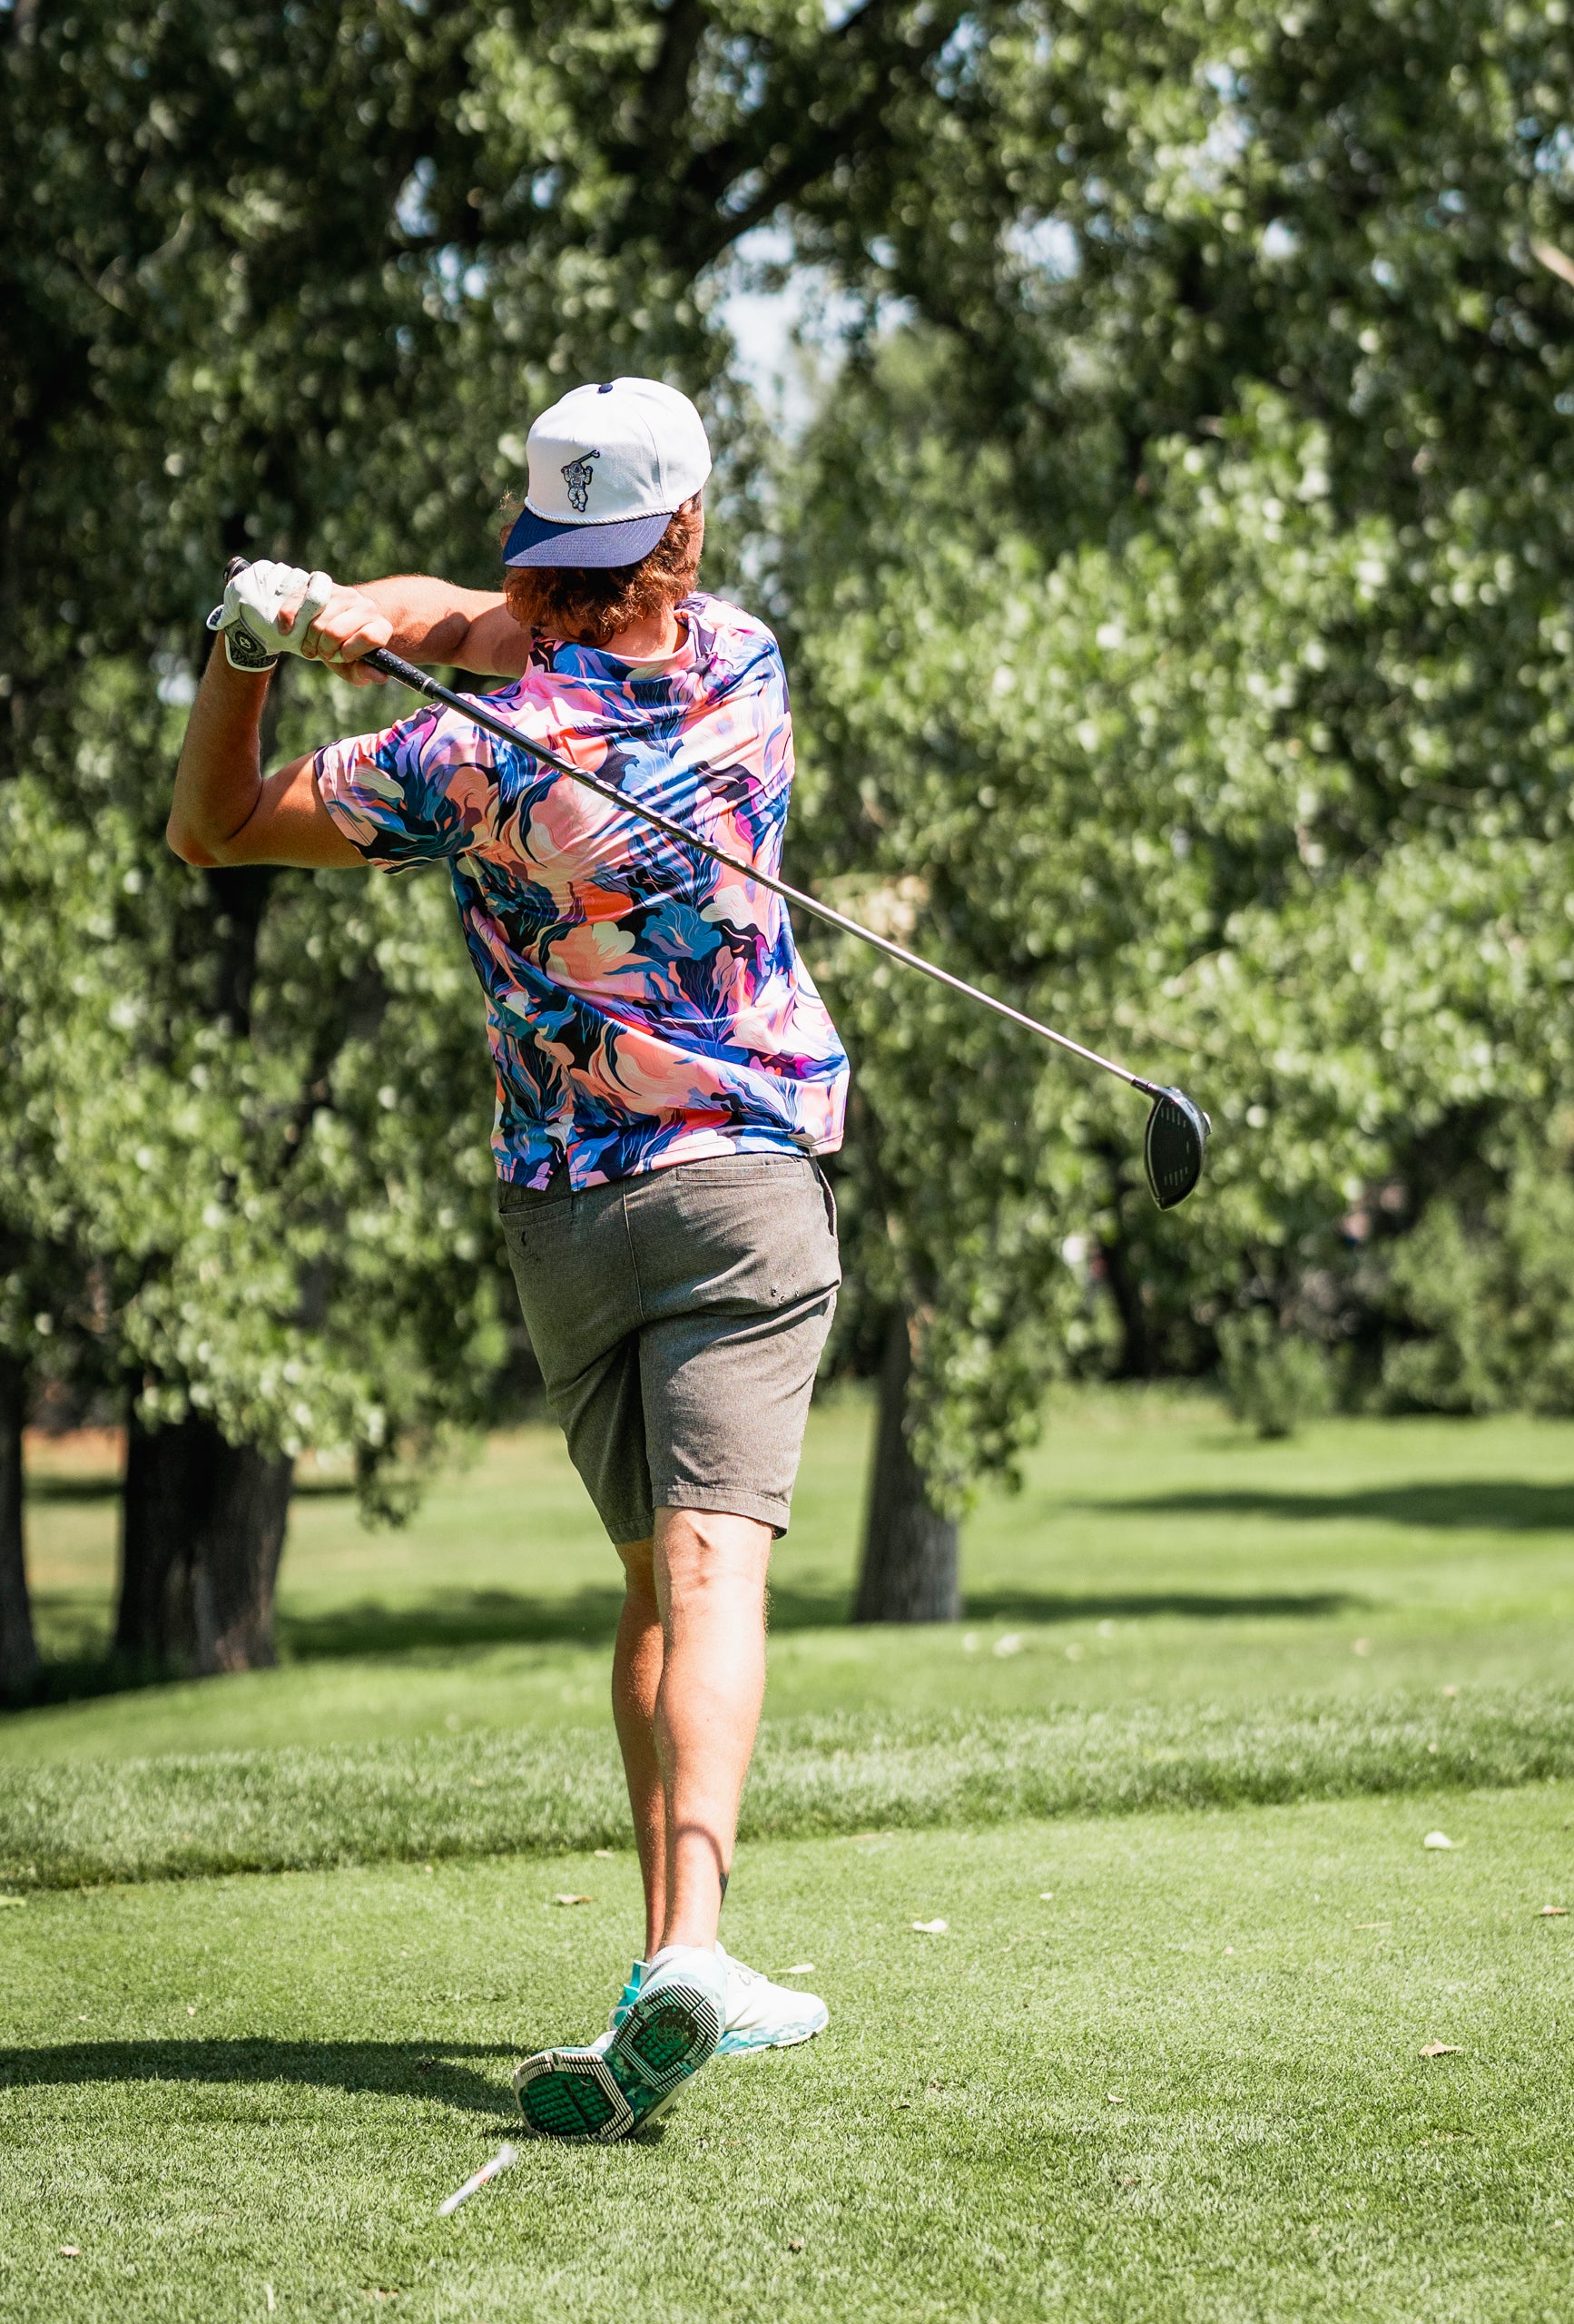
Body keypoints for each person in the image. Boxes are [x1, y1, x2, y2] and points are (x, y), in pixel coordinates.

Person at [166, 377, 850, 2142]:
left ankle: (664, 1965)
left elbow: (217, 823)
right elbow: (464, 626)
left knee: (649, 1579)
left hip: (569, 1218)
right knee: (717, 1570)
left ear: (542, 546)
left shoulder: (461, 753)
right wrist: (342, 618)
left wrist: (254, 643)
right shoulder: (747, 666)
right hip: (741, 1186)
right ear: (683, 534)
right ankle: (697, 1936)